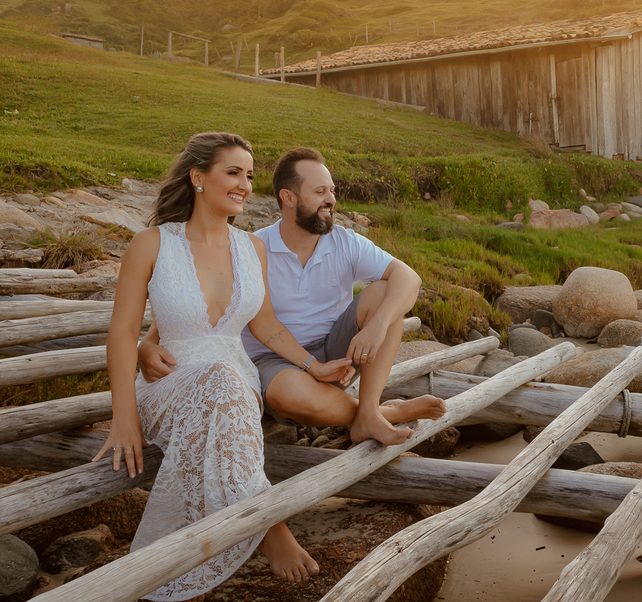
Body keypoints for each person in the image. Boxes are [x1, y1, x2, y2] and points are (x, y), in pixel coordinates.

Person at [93, 132, 357, 600]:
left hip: (238, 388)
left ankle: (187, 558)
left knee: (227, 380)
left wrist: (312, 367)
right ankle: (268, 524)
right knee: (218, 380)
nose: (244, 185)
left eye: (250, 176)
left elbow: (268, 327)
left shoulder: (250, 248)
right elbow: (121, 332)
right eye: (233, 172)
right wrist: (124, 418)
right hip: (168, 387)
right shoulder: (152, 244)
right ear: (198, 177)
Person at [139, 146, 445, 445]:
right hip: (274, 362)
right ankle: (378, 412)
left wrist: (378, 325)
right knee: (291, 393)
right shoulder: (253, 248)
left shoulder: (345, 241)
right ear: (289, 197)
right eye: (320, 192)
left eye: (332, 191)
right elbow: (195, 308)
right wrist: (148, 345)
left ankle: (368, 412)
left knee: (384, 294)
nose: (331, 200)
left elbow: (410, 278)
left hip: (336, 355)